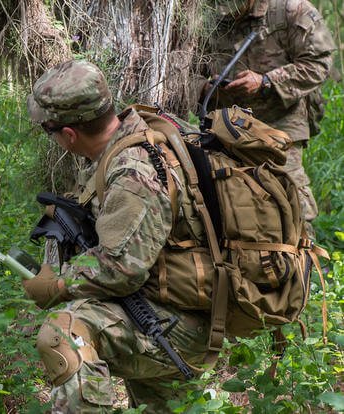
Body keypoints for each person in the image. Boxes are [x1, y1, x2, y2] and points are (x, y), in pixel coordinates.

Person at [24, 60, 214, 412]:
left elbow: (119, 268)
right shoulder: (123, 143)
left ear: (68, 135)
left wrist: (58, 285)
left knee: (63, 334)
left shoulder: (132, 171)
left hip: (174, 326)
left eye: (49, 130)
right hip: (163, 308)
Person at [194, 0, 335, 224]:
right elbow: (181, 69)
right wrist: (203, 87)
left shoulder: (292, 10)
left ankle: (303, 256)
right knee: (228, 205)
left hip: (280, 125)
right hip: (226, 126)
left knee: (292, 202)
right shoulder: (205, 17)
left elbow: (319, 64)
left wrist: (266, 81)